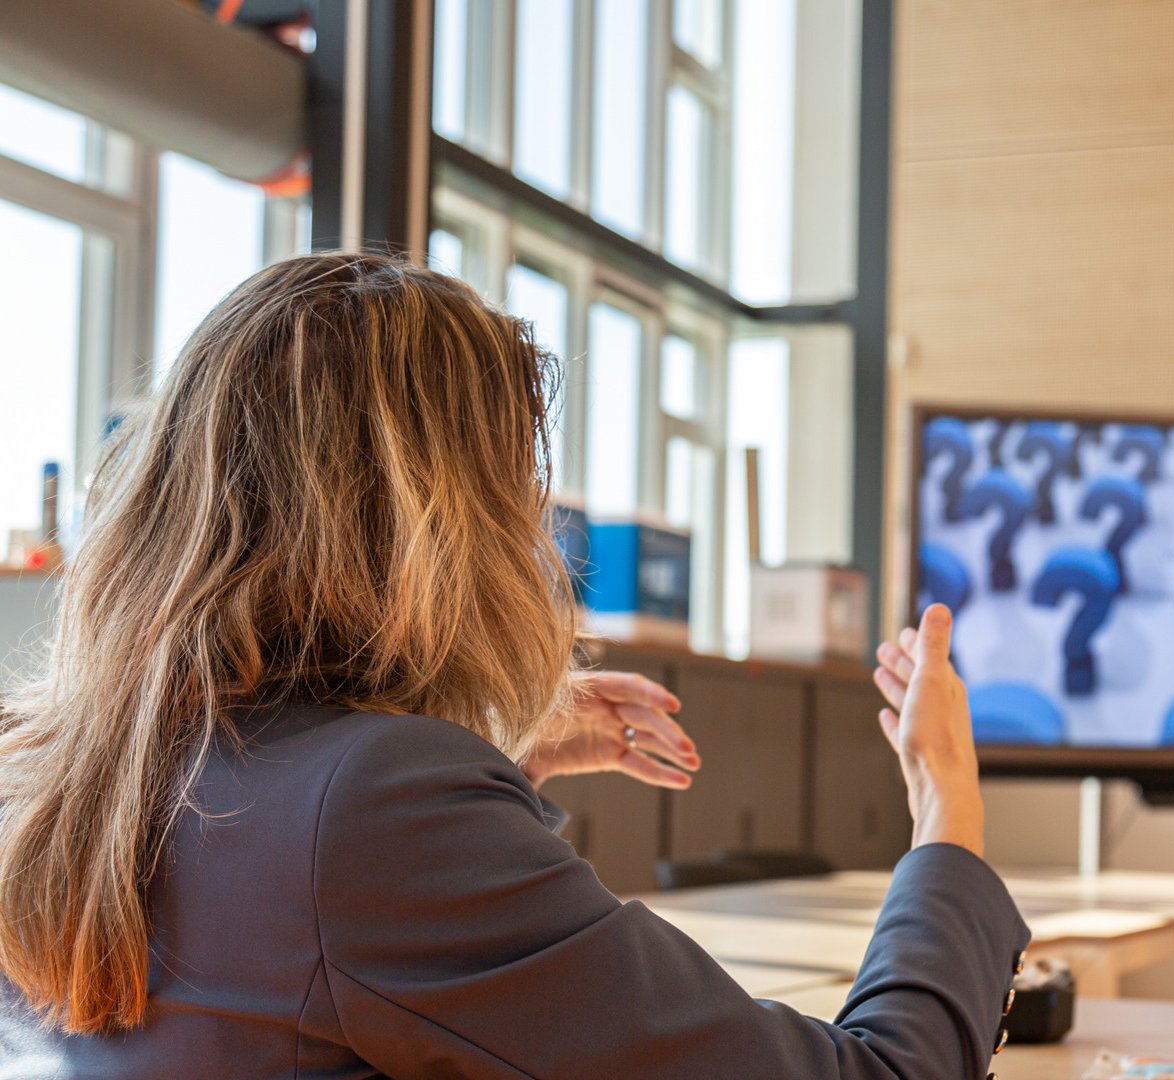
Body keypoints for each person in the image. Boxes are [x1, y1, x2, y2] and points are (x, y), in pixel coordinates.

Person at [0, 253, 1029, 1077]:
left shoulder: (68, 773)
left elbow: (315, 992)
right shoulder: (376, 808)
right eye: (514, 491)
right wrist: (949, 814)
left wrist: (492, 759)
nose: (536, 527)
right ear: (435, 526)